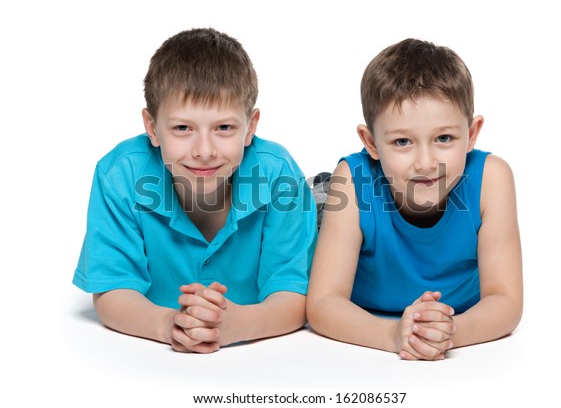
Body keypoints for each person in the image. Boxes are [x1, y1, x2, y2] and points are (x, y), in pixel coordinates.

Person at [73, 28, 317, 353]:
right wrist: (168, 324)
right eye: (182, 128)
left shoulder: (278, 173)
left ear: (251, 127)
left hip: (308, 209)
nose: (204, 151)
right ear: (152, 128)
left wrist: (239, 325)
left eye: (224, 128)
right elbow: (112, 291)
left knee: (329, 214)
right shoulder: (119, 174)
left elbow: (294, 295)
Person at [306, 38, 523, 360]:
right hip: (333, 204)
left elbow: (506, 300)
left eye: (444, 138)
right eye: (403, 141)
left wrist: (447, 332)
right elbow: (322, 304)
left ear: (472, 134)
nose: (425, 162)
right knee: (306, 207)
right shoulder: (352, 178)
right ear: (372, 142)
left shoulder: (492, 177)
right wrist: (393, 335)